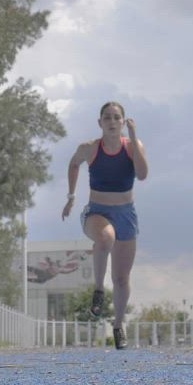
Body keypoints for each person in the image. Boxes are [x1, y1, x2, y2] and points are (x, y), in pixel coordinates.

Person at [62, 101, 148, 349]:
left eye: (116, 118)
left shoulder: (132, 147)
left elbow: (142, 175)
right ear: (100, 123)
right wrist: (70, 197)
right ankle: (99, 289)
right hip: (96, 212)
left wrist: (133, 138)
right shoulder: (89, 148)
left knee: (122, 278)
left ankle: (119, 325)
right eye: (107, 118)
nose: (112, 122)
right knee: (105, 237)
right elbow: (73, 164)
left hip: (126, 214)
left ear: (123, 122)